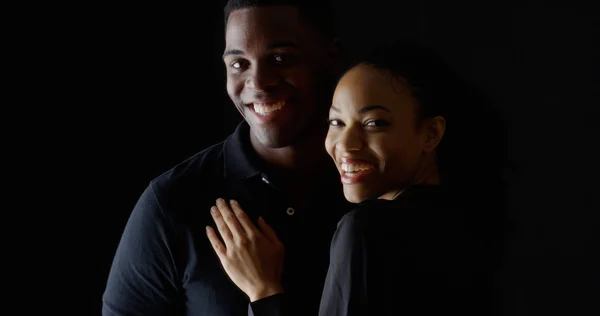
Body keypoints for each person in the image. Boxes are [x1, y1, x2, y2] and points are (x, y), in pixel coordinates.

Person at [207, 41, 511, 315]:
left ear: (431, 133)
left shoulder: (369, 229)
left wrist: (263, 291)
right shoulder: (470, 223)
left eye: (374, 123)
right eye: (336, 122)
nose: (346, 144)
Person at [101, 1, 351, 315]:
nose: (258, 83)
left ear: (330, 58)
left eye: (280, 58)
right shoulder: (172, 203)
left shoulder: (377, 187)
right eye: (239, 64)